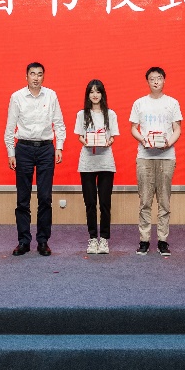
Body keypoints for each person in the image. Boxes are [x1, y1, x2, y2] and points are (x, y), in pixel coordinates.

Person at [4, 62, 66, 256]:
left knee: (45, 198)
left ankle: (43, 241)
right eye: (33, 74)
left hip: (46, 149)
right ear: (26, 77)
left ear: (43, 77)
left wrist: (59, 147)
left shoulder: (51, 95)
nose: (36, 78)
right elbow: (10, 127)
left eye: (39, 74)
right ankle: (23, 241)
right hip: (23, 149)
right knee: (23, 199)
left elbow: (59, 124)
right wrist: (11, 152)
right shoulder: (17, 97)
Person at [129, 66, 181, 256]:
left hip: (166, 157)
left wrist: (168, 143)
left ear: (164, 80)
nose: (156, 81)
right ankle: (144, 240)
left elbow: (177, 129)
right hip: (145, 157)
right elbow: (133, 128)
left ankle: (162, 240)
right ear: (148, 82)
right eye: (152, 79)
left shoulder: (172, 103)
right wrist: (143, 140)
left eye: (159, 78)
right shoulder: (139, 103)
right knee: (145, 200)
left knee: (164, 201)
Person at [75, 79, 119, 254]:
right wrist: (85, 141)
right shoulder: (82, 114)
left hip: (106, 162)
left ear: (102, 94)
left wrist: (109, 141)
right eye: (92, 92)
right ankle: (93, 238)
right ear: (88, 95)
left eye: (98, 91)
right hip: (87, 162)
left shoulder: (110, 114)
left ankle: (104, 239)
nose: (95, 95)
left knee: (105, 203)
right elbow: (80, 136)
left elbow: (113, 136)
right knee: (90, 203)